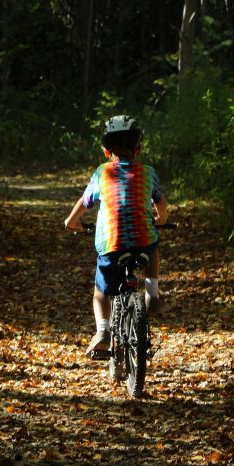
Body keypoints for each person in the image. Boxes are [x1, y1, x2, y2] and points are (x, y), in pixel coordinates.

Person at [64, 115, 168, 356]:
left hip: (111, 242)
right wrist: (161, 220)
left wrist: (71, 221)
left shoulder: (102, 173)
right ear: (138, 149)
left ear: (105, 151)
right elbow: (160, 203)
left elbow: (85, 201)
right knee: (153, 248)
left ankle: (102, 331)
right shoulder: (148, 172)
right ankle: (152, 294)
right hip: (143, 239)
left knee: (100, 293)